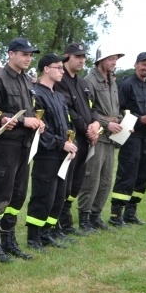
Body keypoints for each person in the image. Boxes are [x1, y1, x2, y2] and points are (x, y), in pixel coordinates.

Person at [0, 37, 44, 263]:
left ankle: (9, 240)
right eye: (24, 54)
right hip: (5, 146)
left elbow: (30, 110)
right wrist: (20, 122)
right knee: (0, 195)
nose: (28, 58)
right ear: (11, 54)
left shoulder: (27, 81)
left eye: (30, 54)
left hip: (25, 145)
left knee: (18, 196)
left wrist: (38, 121)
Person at [109, 52, 146, 226]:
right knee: (127, 174)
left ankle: (131, 212)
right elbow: (118, 110)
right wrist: (139, 118)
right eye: (144, 65)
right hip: (130, 135)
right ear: (136, 64)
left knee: (143, 175)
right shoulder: (126, 85)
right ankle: (115, 214)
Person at [25, 54, 77, 250]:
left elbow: (67, 124)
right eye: (59, 68)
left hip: (63, 154)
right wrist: (60, 143)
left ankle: (48, 233)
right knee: (43, 195)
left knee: (58, 195)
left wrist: (72, 144)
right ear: (46, 69)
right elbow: (41, 130)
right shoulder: (36, 94)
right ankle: (33, 237)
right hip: (46, 153)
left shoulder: (58, 95)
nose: (62, 71)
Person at [76, 46, 124, 232]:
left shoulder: (112, 80)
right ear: (101, 60)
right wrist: (105, 123)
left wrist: (120, 121)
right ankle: (84, 217)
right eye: (111, 58)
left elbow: (116, 108)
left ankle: (96, 215)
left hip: (111, 138)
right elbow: (89, 110)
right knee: (92, 179)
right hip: (97, 136)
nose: (114, 62)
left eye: (116, 59)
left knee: (105, 180)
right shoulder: (89, 81)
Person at [55, 42, 99, 236]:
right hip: (69, 138)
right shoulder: (59, 80)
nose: (82, 60)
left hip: (86, 139)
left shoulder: (83, 83)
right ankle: (58, 221)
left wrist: (96, 125)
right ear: (66, 57)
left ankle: (66, 219)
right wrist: (86, 128)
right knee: (65, 181)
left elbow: (92, 108)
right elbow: (68, 110)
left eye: (84, 57)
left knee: (77, 182)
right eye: (77, 56)